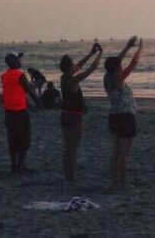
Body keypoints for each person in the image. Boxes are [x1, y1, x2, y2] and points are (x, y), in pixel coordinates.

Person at [103, 36, 143, 189]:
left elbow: (116, 61)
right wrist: (140, 50)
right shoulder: (119, 79)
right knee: (124, 152)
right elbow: (133, 64)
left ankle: (113, 181)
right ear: (117, 68)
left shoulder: (107, 77)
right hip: (125, 117)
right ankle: (124, 183)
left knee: (115, 151)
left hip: (114, 116)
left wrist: (127, 47)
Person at [59, 43, 102, 181]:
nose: (74, 66)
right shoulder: (74, 79)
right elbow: (91, 69)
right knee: (74, 147)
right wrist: (100, 54)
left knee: (67, 147)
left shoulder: (63, 78)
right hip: (75, 115)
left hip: (64, 114)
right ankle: (71, 175)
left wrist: (91, 53)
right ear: (69, 67)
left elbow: (80, 65)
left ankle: (67, 174)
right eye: (72, 65)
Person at [0, 52, 39, 173]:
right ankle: (20, 165)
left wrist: (29, 105)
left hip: (9, 113)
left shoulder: (4, 76)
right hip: (20, 113)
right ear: (15, 62)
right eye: (18, 60)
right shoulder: (20, 75)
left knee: (12, 140)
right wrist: (38, 102)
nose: (20, 62)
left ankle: (13, 165)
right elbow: (29, 91)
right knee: (25, 140)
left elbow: (13, 93)